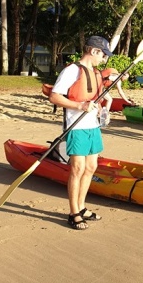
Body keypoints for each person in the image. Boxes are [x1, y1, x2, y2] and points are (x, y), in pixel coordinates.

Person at [49, 36, 113, 230]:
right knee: (77, 169)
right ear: (93, 51)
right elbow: (54, 96)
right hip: (76, 127)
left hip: (93, 126)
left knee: (91, 167)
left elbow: (96, 99)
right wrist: (79, 105)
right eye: (103, 55)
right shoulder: (72, 71)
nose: (104, 59)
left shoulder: (94, 72)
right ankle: (73, 212)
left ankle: (82, 206)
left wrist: (102, 110)